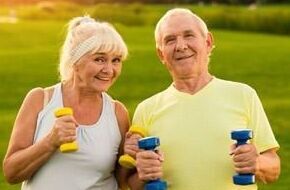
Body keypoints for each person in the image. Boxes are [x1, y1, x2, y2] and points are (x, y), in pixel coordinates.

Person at [125, 8, 280, 190]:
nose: (181, 46)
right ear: (161, 54)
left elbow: (273, 168)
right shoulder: (146, 109)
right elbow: (131, 183)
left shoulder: (244, 95)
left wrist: (258, 162)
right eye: (170, 40)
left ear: (207, 42)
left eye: (189, 35)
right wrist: (143, 174)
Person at [3, 16, 130, 190]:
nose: (109, 70)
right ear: (75, 61)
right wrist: (50, 141)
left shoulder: (118, 113)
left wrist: (137, 159)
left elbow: (124, 182)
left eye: (116, 60)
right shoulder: (40, 100)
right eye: (99, 59)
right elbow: (11, 172)